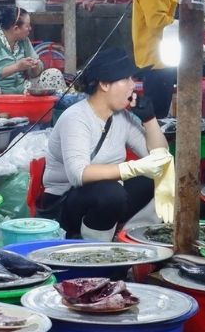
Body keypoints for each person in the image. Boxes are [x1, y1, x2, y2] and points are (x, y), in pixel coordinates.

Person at [38, 48, 171, 241]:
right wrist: (132, 168)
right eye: (126, 79)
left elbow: (160, 157)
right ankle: (95, 249)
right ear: (105, 84)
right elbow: (79, 174)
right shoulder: (76, 118)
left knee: (160, 177)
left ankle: (133, 240)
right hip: (64, 203)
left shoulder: (122, 117)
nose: (133, 85)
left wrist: (149, 119)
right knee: (111, 194)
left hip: (107, 197)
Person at [133, 0, 180, 117]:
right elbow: (156, 20)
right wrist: (182, 25)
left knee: (159, 113)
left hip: (162, 57)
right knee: (156, 117)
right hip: (155, 60)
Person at [0, 6, 41, 92]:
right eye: (27, 26)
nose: (30, 29)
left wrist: (35, 66)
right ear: (16, 29)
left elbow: (37, 71)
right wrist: (17, 67)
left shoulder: (24, 40)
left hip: (21, 90)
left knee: (52, 75)